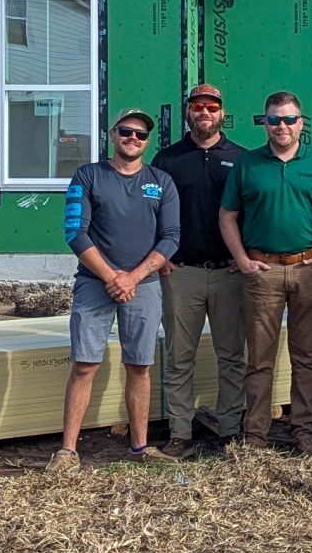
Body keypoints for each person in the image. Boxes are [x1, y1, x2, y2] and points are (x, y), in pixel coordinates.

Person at [219, 91, 312, 458]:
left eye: (289, 119)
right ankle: (256, 434)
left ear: (301, 123)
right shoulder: (248, 164)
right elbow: (227, 215)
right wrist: (242, 260)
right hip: (262, 272)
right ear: (265, 122)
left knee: (305, 357)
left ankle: (304, 431)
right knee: (259, 358)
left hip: (309, 270)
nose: (282, 126)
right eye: (274, 119)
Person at [55, 109, 183, 473]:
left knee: (139, 366)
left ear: (147, 141)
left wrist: (134, 277)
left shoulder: (162, 182)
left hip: (144, 285)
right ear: (113, 134)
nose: (133, 138)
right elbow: (75, 232)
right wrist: (112, 276)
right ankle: (67, 452)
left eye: (141, 134)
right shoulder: (88, 176)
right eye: (126, 131)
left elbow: (171, 237)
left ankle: (139, 447)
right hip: (95, 283)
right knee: (84, 364)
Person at [150, 83, 247, 453]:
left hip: (229, 272)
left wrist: (244, 257)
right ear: (188, 112)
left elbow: (251, 213)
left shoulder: (241, 159)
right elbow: (153, 213)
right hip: (181, 271)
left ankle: (229, 431)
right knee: (179, 356)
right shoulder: (167, 160)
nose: (204, 112)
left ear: (223, 113)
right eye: (197, 106)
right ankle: (180, 433)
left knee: (232, 355)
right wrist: (159, 259)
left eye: (212, 106)